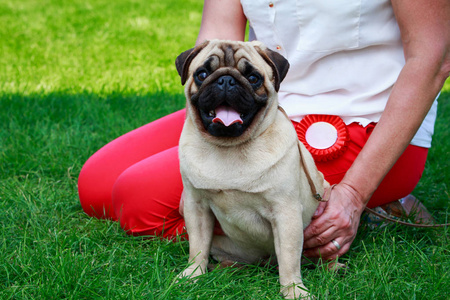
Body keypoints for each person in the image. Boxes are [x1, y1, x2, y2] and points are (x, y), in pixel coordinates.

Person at [78, 0, 450, 261]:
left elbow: (433, 58)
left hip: (360, 120)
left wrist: (352, 194)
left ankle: (360, 200)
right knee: (96, 185)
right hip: (251, 103)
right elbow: (215, 36)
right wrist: (204, 125)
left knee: (136, 202)